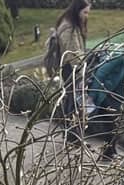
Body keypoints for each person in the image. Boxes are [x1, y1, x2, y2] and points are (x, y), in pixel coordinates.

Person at [48, 0, 91, 138]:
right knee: (73, 102)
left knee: (74, 100)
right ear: (77, 11)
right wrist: (83, 69)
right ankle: (72, 135)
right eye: (85, 12)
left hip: (72, 67)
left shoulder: (72, 24)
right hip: (70, 68)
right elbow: (73, 53)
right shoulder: (68, 28)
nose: (86, 16)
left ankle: (73, 134)